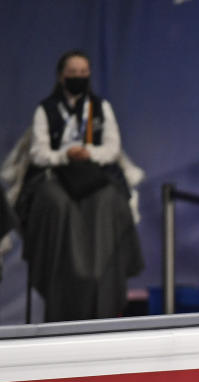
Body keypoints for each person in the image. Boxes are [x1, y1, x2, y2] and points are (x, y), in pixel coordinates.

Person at [16, 49, 143, 322]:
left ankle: (106, 279)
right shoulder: (46, 109)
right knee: (56, 204)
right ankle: (59, 280)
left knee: (110, 201)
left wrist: (89, 153)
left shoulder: (101, 107)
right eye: (73, 73)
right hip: (55, 174)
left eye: (83, 73)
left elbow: (112, 147)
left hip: (93, 173)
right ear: (62, 76)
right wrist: (64, 155)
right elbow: (38, 152)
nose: (78, 77)